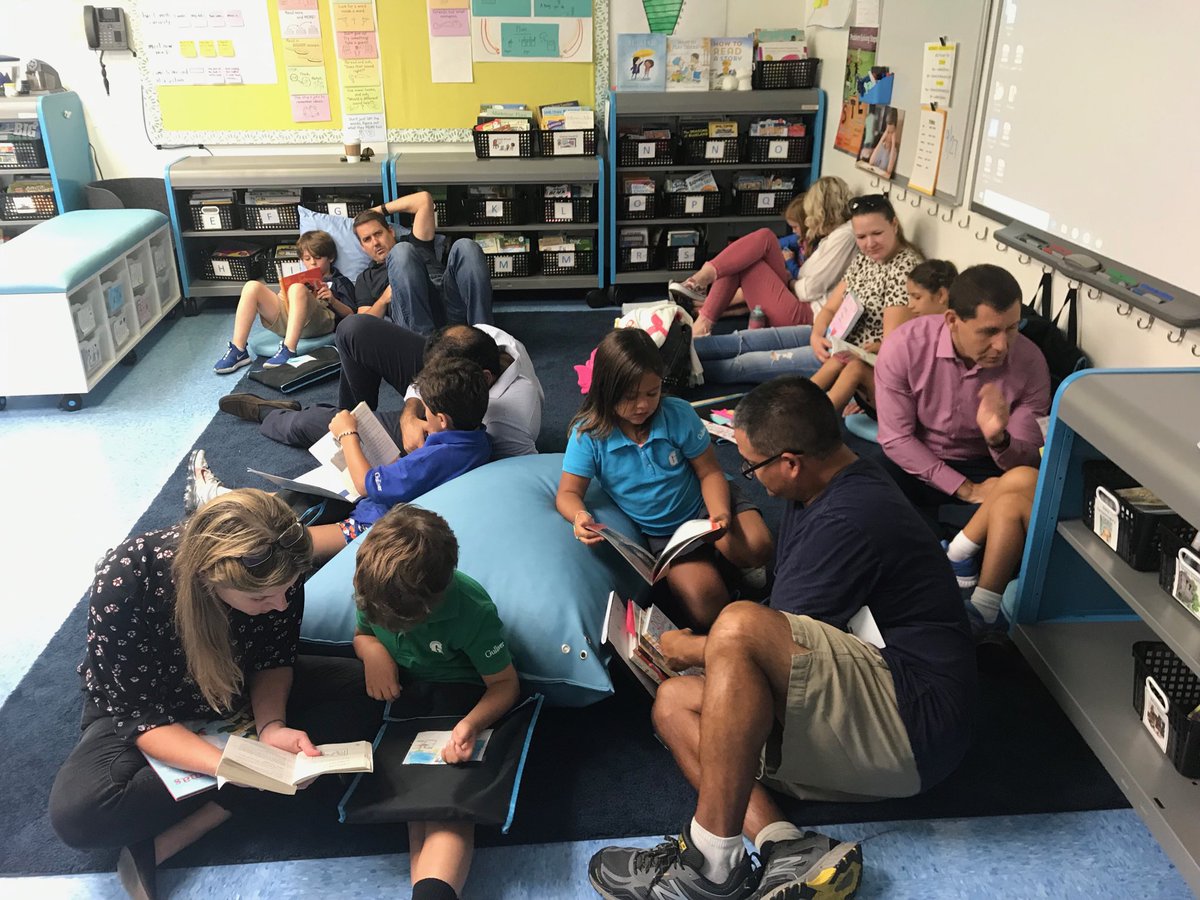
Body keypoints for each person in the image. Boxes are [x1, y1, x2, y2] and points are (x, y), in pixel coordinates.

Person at [587, 376, 976, 900]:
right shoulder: (825, 486)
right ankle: (784, 845)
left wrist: (686, 648)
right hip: (880, 692)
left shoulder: (848, 518)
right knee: (673, 703)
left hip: (917, 724)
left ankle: (710, 865)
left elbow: (763, 641)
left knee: (739, 626)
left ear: (791, 462)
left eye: (752, 466)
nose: (752, 478)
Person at [48, 490, 383, 900]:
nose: (279, 605)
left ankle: (210, 814)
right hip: (149, 707)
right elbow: (138, 715)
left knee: (368, 689)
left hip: (236, 689)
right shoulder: (127, 576)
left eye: (288, 590)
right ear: (212, 579)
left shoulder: (280, 566)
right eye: (261, 598)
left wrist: (272, 725)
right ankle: (240, 798)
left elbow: (275, 659)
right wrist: (237, 766)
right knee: (81, 815)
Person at [352, 505, 520, 900]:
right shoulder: (373, 589)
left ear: (431, 604)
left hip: (463, 701)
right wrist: (372, 650)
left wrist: (472, 724)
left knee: (447, 802)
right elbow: (362, 633)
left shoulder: (472, 610)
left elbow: (505, 684)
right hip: (407, 700)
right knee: (415, 797)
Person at [556, 329, 772, 630]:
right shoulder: (589, 434)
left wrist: (720, 515)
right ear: (606, 390)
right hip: (667, 536)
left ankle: (736, 562)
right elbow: (567, 492)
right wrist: (580, 517)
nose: (642, 405)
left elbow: (709, 471)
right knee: (706, 604)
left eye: (652, 393)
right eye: (630, 396)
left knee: (758, 545)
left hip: (708, 502)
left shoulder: (677, 414)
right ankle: (727, 568)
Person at [874, 264, 1050, 629]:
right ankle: (960, 548)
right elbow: (897, 438)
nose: (1002, 345)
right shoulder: (906, 346)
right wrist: (965, 489)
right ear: (952, 319)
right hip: (923, 462)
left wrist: (997, 437)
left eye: (1012, 329)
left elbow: (1028, 454)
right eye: (989, 332)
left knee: (1027, 481)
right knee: (868, 481)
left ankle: (953, 551)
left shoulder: (1030, 361)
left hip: (991, 466)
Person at [189, 357, 493, 562]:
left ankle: (211, 524)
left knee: (289, 544)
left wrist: (349, 435)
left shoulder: (433, 459)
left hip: (375, 527)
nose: (422, 418)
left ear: (441, 418)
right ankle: (220, 498)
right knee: (298, 496)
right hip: (394, 506)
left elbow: (365, 484)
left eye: (425, 412)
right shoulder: (480, 441)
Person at [219, 316, 544, 459]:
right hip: (445, 403)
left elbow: (518, 478)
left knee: (310, 425)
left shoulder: (506, 423)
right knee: (354, 329)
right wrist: (409, 416)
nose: (421, 383)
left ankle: (269, 414)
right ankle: (350, 416)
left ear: (485, 378)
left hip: (456, 427)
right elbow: (422, 383)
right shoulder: (484, 337)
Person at [686, 178, 860, 385]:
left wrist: (790, 282)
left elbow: (809, 289)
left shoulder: (845, 236)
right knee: (754, 247)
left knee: (752, 252)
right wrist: (791, 279)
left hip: (806, 313)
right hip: (801, 300)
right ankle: (704, 299)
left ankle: (702, 297)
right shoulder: (832, 236)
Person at [806, 193, 923, 413]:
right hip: (835, 343)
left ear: (894, 225)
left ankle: (800, 418)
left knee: (747, 364)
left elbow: (891, 347)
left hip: (854, 357)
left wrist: (856, 363)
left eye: (877, 233)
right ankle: (796, 412)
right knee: (749, 343)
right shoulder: (865, 259)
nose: (869, 244)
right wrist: (815, 336)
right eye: (861, 237)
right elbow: (831, 308)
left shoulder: (905, 269)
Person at [213, 229, 356, 373]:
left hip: (320, 324)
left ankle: (289, 349)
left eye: (318, 257)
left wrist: (332, 299)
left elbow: (352, 315)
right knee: (252, 287)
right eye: (307, 259)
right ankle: (238, 350)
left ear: (330, 258)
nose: (312, 262)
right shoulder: (300, 279)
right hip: (291, 322)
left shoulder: (340, 282)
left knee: (297, 289)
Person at [352, 195, 492, 334]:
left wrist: (373, 212)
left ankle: (485, 335)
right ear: (363, 247)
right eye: (367, 239)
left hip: (448, 302)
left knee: (466, 246)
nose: (375, 242)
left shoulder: (416, 242)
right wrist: (383, 300)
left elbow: (424, 200)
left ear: (391, 231)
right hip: (412, 318)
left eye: (378, 233)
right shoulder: (366, 278)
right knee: (401, 252)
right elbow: (363, 325)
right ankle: (424, 347)